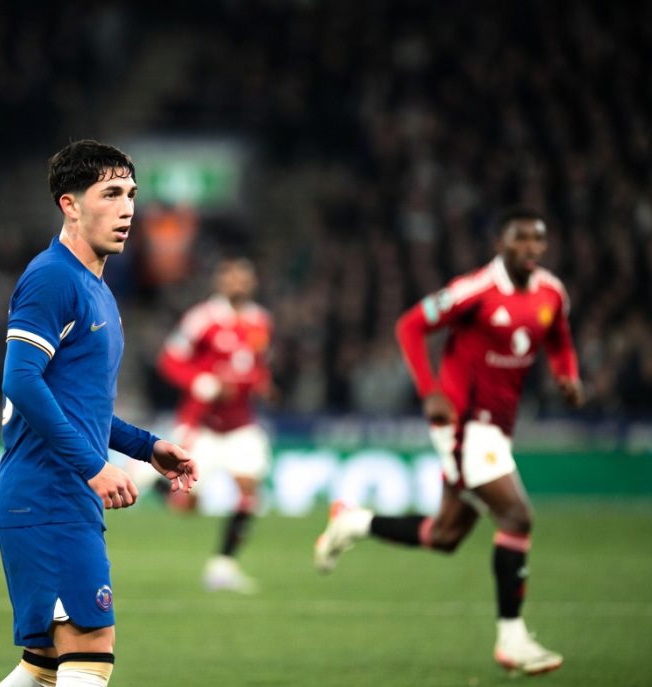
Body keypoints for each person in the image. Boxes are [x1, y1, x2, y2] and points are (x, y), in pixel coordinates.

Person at [314, 207, 583, 675]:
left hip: (498, 428)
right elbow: (410, 325)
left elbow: (558, 338)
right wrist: (430, 391)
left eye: (537, 239)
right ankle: (513, 639)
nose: (530, 248)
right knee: (517, 516)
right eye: (520, 239)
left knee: (445, 536)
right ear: (500, 243)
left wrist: (567, 375)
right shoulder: (475, 289)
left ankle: (353, 522)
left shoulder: (551, 292)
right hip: (463, 425)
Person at [0, 139, 198, 687]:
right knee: (90, 650)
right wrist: (92, 466)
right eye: (110, 194)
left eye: (131, 194)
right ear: (70, 204)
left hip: (53, 494)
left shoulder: (96, 288)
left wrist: (146, 447)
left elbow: (78, 406)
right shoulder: (53, 277)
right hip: (50, 494)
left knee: (43, 667)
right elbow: (21, 379)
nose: (127, 208)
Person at [157, 257, 273, 593]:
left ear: (252, 282)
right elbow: (169, 359)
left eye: (243, 277)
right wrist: (200, 381)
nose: (238, 283)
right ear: (219, 282)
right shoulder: (202, 319)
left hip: (240, 424)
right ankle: (153, 481)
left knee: (249, 490)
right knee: (186, 506)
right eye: (231, 277)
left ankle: (223, 566)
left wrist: (262, 382)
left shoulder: (260, 321)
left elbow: (254, 365)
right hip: (202, 424)